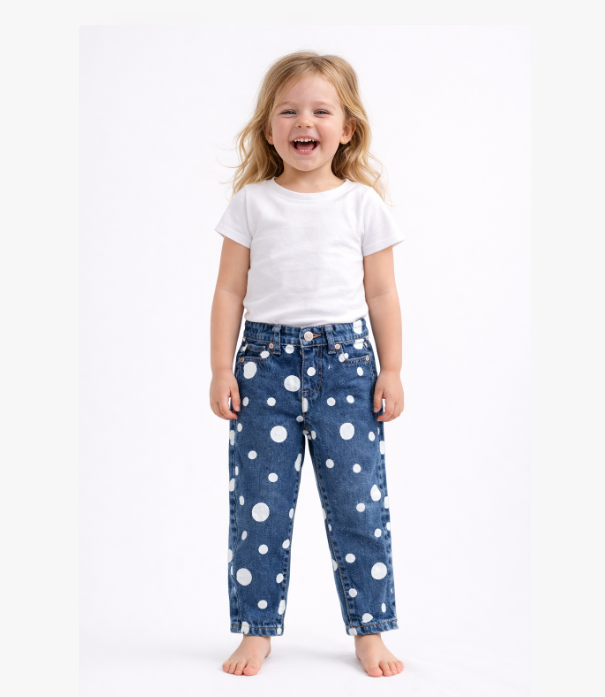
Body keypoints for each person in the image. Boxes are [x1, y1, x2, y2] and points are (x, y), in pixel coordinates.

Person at [209, 51, 405, 678]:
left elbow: (382, 294)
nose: (305, 122)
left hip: (346, 368)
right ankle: (256, 629)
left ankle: (370, 629)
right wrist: (221, 369)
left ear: (347, 128)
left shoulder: (363, 205)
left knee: (358, 505)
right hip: (263, 369)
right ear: (269, 129)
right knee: (260, 507)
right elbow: (229, 291)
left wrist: (392, 370)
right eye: (289, 111)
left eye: (321, 111)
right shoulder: (251, 204)